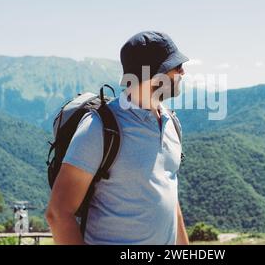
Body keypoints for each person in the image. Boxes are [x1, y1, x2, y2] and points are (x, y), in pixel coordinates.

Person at [46, 31, 190, 245]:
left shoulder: (171, 123)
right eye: (176, 67)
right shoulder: (99, 127)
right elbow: (58, 213)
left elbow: (169, 194)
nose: (183, 72)